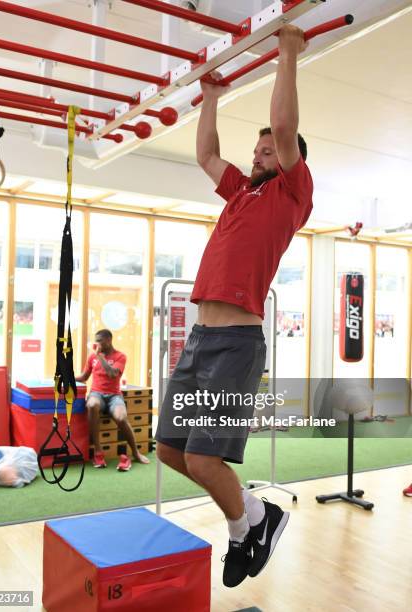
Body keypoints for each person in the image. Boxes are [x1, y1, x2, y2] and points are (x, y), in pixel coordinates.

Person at [155, 25, 313, 588]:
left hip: (236, 345)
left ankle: (245, 525)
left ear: (290, 159)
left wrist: (287, 54)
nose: (258, 155)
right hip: (199, 340)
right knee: (172, 450)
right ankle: (253, 518)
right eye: (256, 149)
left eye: (267, 150)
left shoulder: (291, 195)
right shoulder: (242, 191)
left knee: (203, 461)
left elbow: (287, 127)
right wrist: (213, 98)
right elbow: (206, 154)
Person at [76, 329, 150, 469]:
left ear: (108, 340)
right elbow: (84, 377)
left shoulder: (120, 356)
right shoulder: (92, 357)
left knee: (121, 417)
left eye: (99, 341)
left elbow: (112, 374)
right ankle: (98, 452)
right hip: (96, 394)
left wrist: (100, 357)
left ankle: (135, 452)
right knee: (91, 404)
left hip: (114, 396)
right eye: (95, 340)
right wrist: (65, 377)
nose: (96, 343)